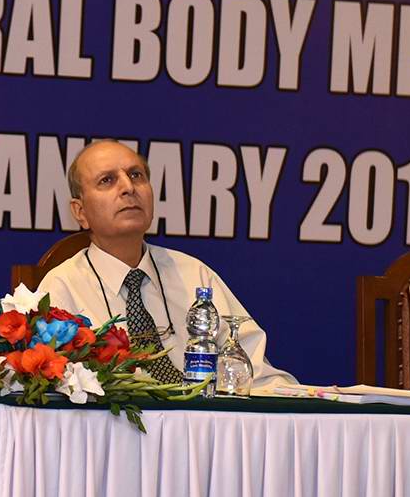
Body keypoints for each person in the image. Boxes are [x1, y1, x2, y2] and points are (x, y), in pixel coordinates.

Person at [36, 139, 293, 388]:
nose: (128, 187)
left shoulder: (195, 276)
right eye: (107, 180)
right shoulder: (62, 287)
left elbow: (257, 375)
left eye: (136, 175)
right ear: (80, 212)